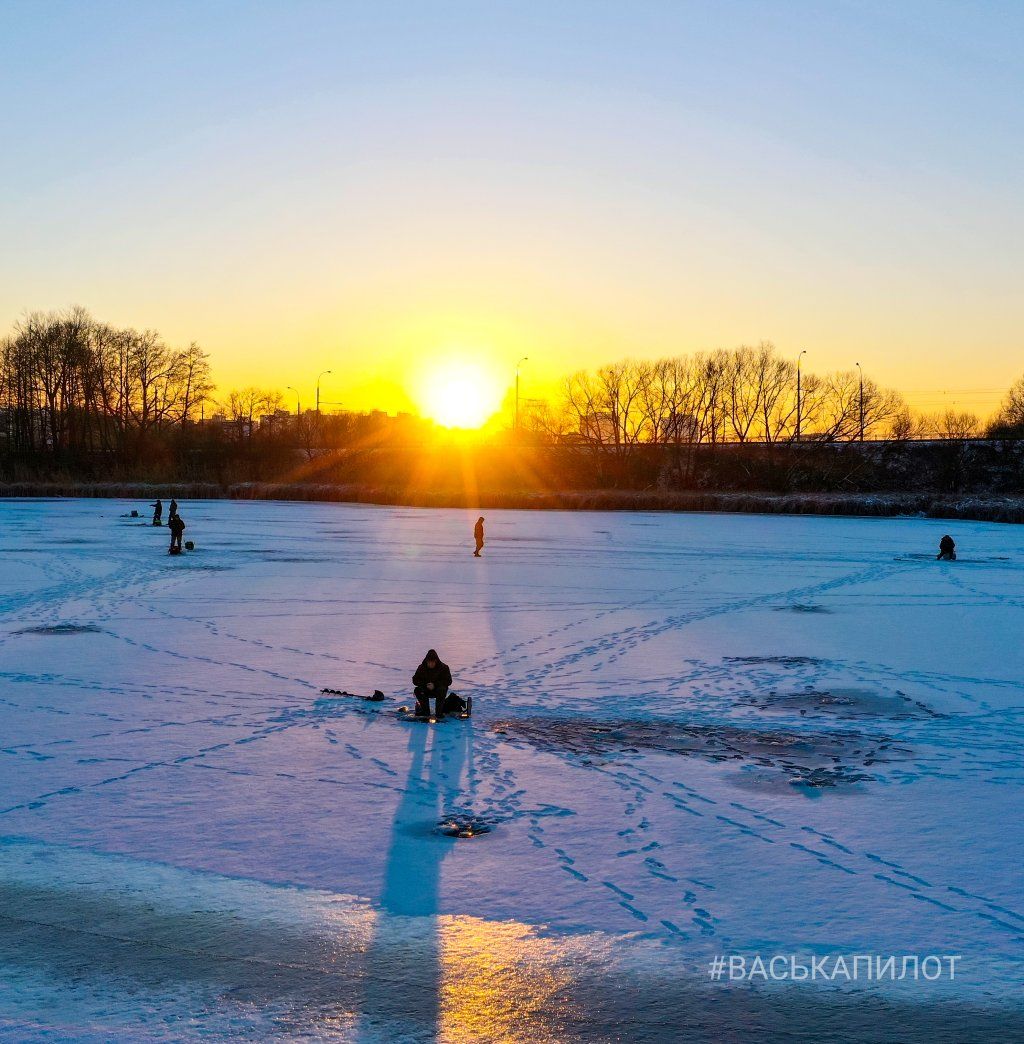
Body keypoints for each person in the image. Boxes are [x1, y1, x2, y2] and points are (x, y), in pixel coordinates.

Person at [412, 648, 453, 719]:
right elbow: (415, 680)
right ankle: (425, 712)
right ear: (426, 661)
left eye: (433, 662)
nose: (431, 664)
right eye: (429, 662)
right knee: (417, 690)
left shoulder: (444, 667)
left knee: (442, 689)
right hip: (426, 689)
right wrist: (425, 685)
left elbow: (448, 681)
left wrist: (435, 685)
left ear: (436, 661)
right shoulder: (421, 667)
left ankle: (439, 713)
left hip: (438, 690)